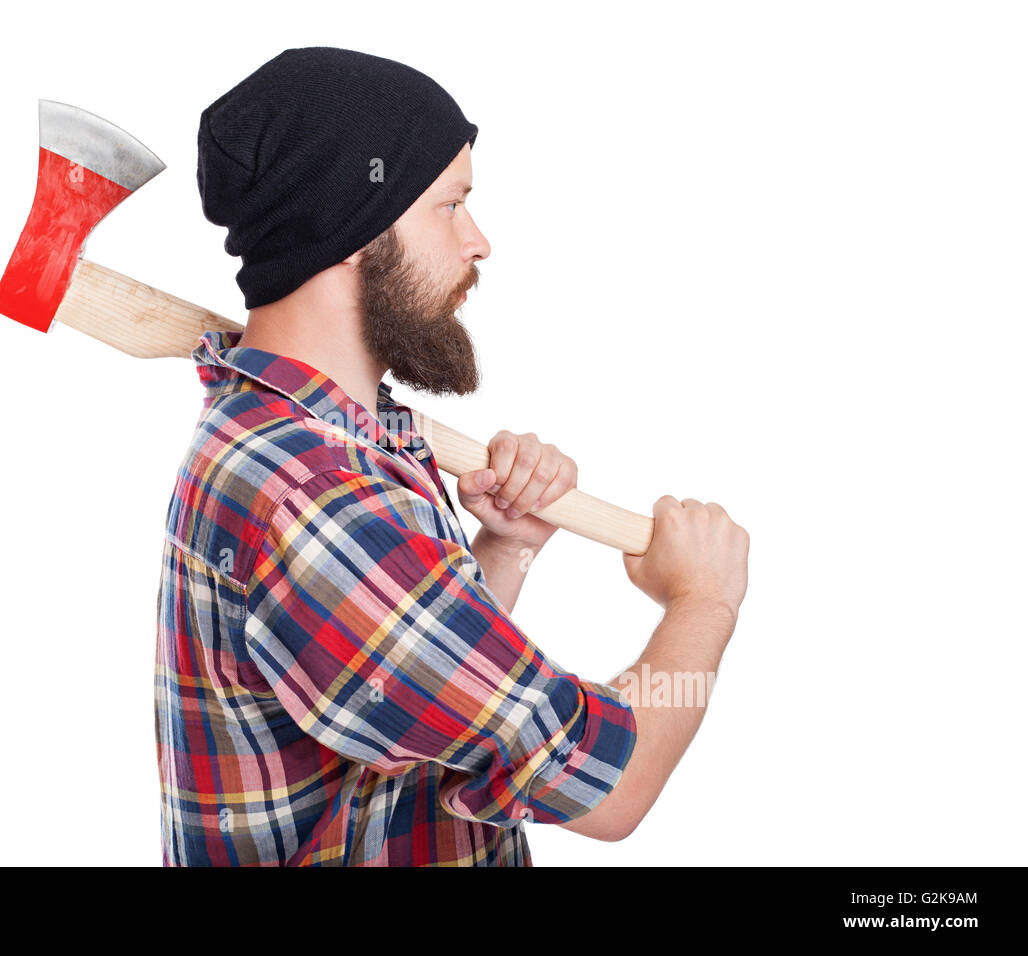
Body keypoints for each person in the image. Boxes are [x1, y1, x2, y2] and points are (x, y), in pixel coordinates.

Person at [155, 46, 749, 866]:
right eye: (451, 205)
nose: (480, 242)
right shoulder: (321, 496)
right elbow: (610, 787)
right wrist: (704, 602)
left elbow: (405, 723)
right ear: (354, 229)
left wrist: (500, 554)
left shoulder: (290, 431)